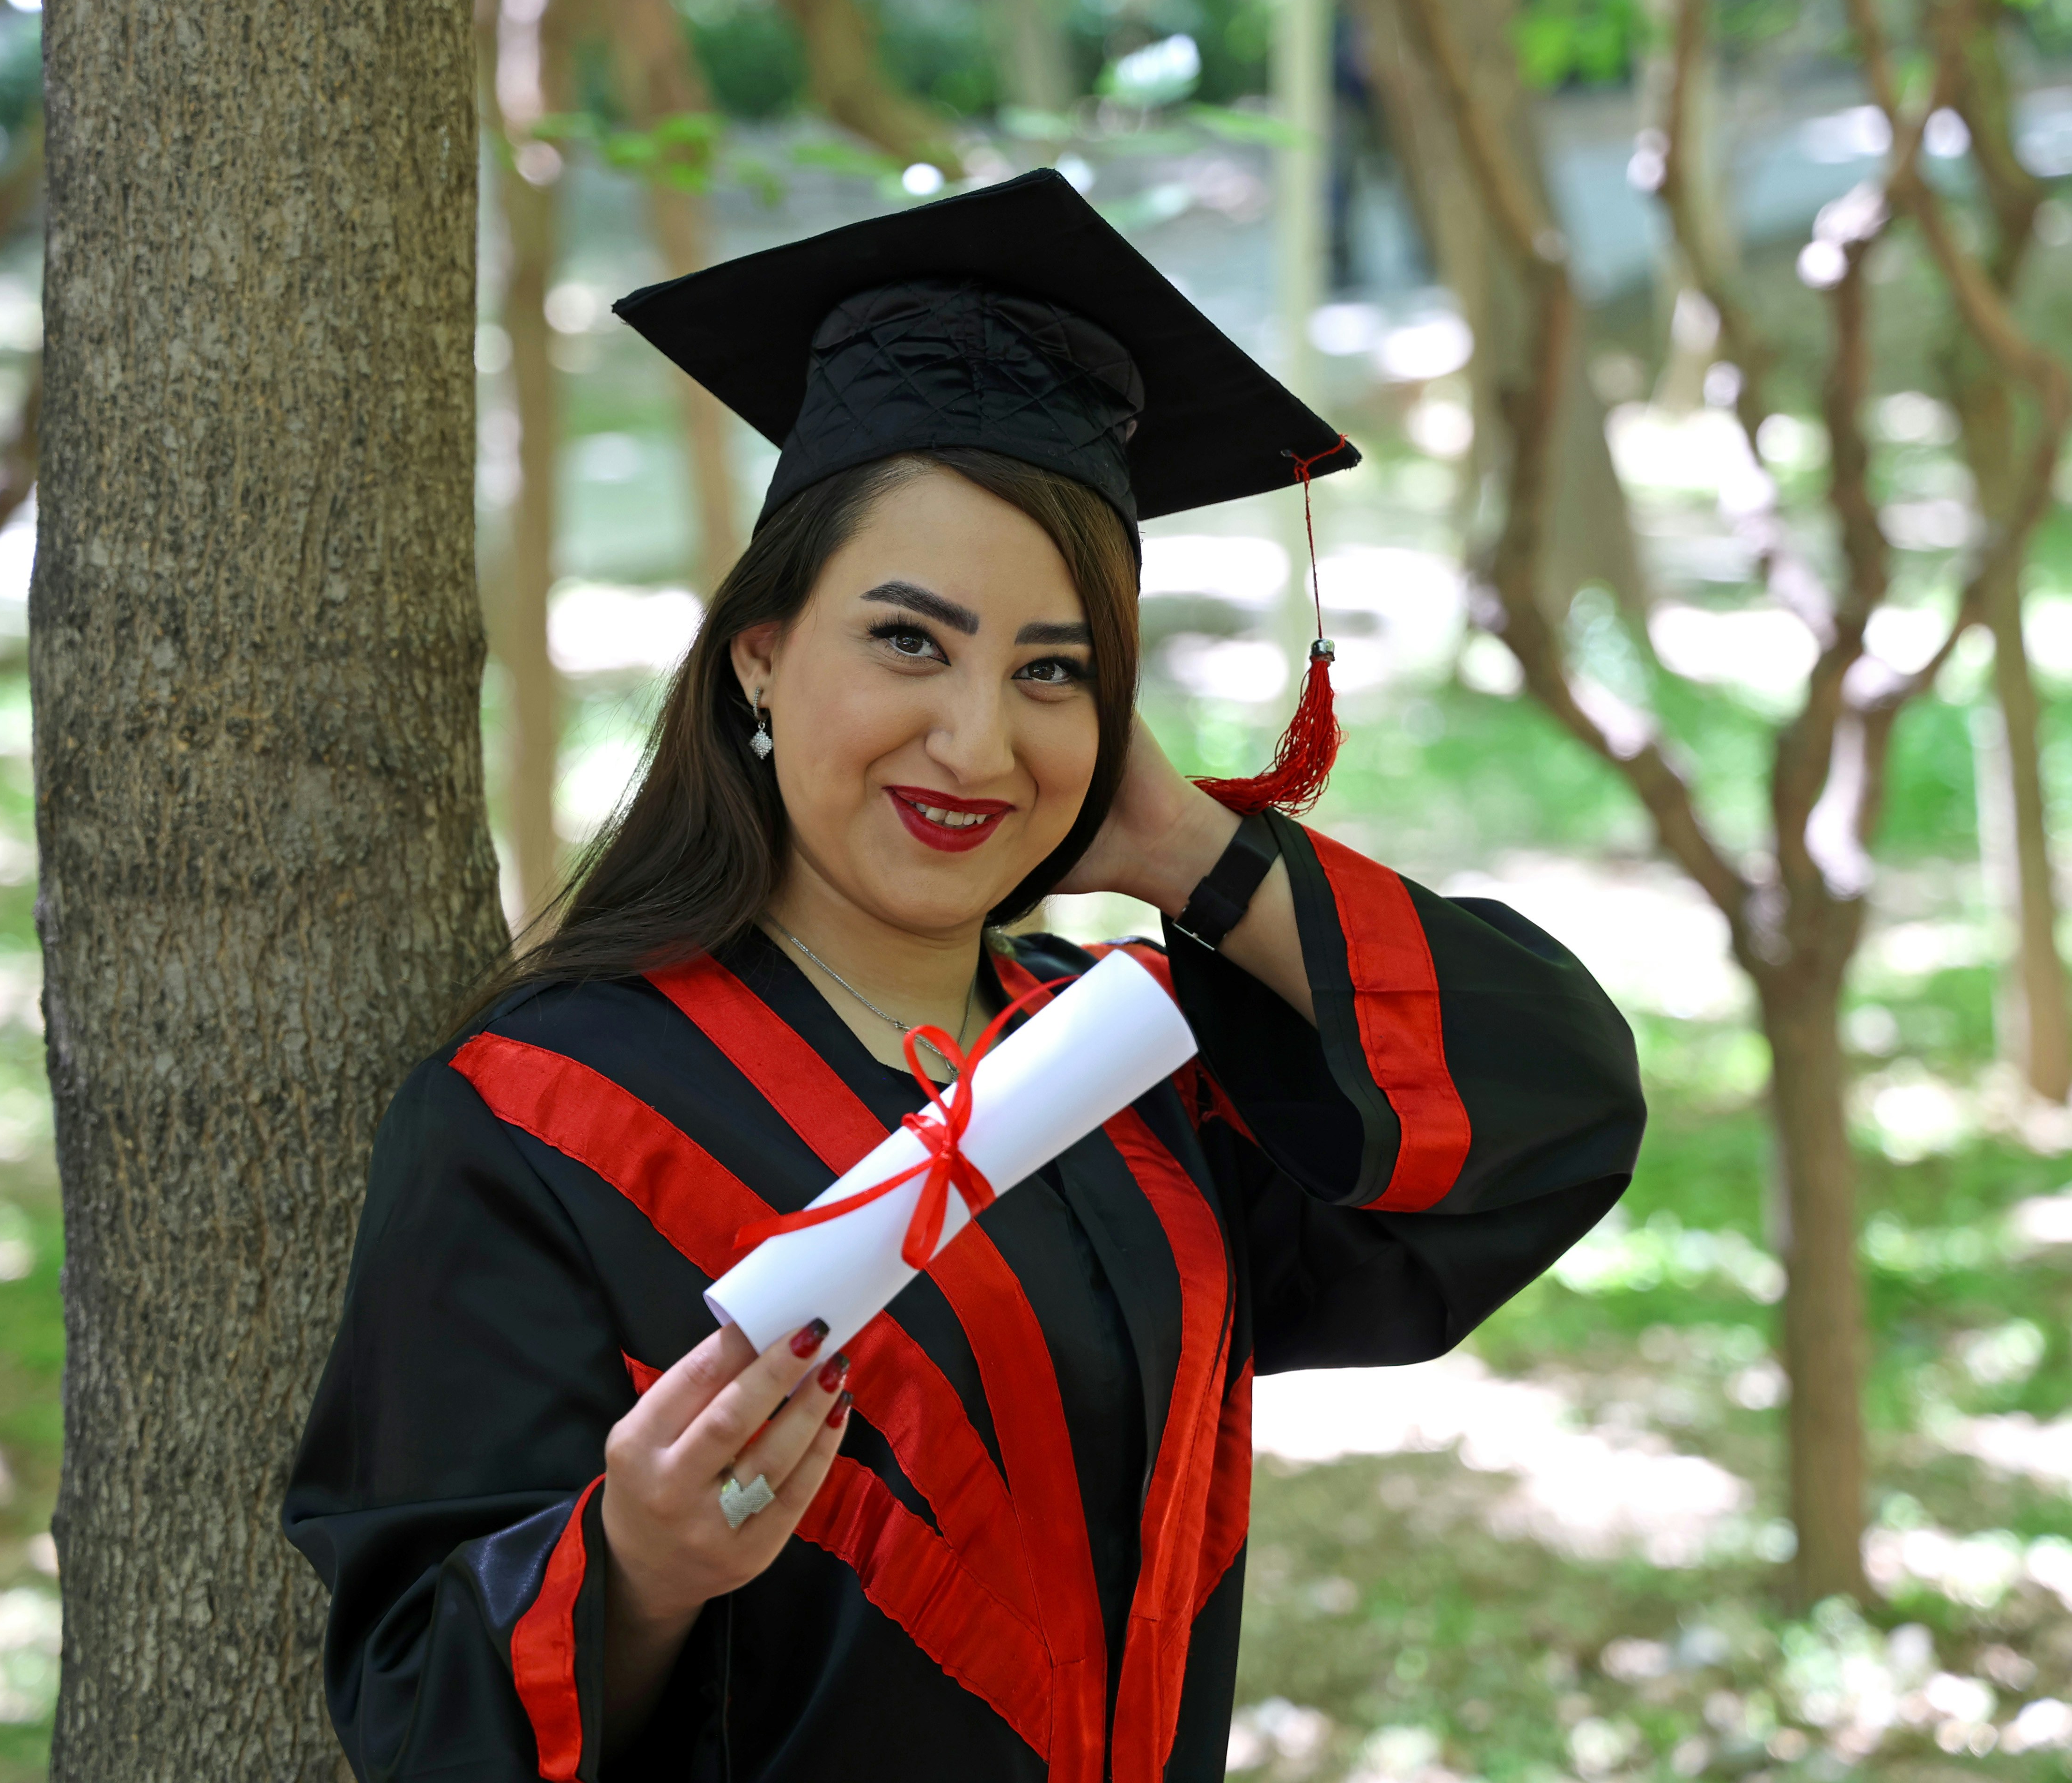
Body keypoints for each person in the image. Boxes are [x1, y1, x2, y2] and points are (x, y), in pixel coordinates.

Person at [283, 170, 1645, 1783]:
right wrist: (635, 1569)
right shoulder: (543, 1120)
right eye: (909, 642)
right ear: (761, 656)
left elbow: (1549, 1111)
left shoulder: (1124, 1067)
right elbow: (413, 1706)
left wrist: (1189, 853)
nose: (978, 743)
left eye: (1054, 671)